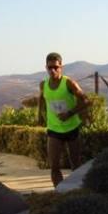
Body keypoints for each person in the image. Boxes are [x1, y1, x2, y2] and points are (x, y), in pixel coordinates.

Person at [37, 53, 88, 187]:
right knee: (54, 166)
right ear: (46, 68)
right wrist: (39, 115)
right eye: (49, 68)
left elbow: (86, 101)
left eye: (55, 67)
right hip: (54, 129)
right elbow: (41, 99)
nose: (52, 70)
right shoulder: (43, 85)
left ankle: (78, 191)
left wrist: (70, 113)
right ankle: (59, 195)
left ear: (61, 67)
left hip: (72, 128)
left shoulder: (69, 83)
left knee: (75, 165)